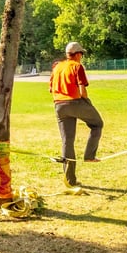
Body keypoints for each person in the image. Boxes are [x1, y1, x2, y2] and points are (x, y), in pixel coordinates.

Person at [49, 41, 104, 187]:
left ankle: (70, 180)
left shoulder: (57, 67)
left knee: (67, 141)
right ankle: (89, 156)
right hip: (74, 102)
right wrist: (86, 102)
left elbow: (51, 89)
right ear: (78, 54)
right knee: (97, 124)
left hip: (59, 105)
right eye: (82, 54)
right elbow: (82, 90)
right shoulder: (77, 66)